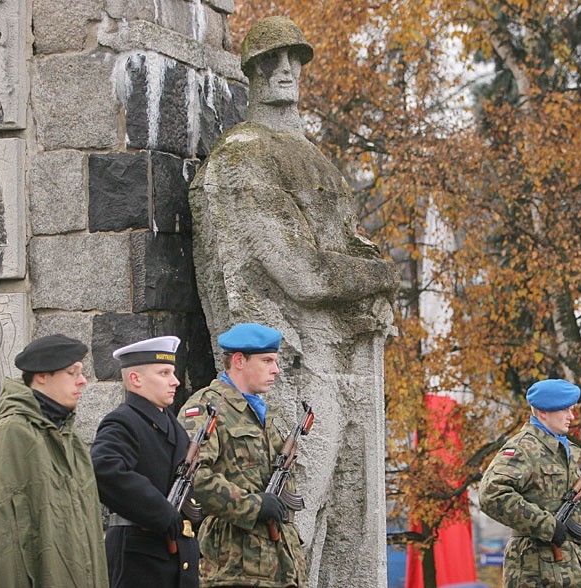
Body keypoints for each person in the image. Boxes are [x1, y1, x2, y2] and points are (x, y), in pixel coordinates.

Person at [189, 17, 399, 584]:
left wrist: (372, 284)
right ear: (252, 69)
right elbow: (303, 273)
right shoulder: (242, 156)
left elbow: (348, 246)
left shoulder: (316, 160)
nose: (285, 70)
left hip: (340, 359)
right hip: (290, 366)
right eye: (271, 60)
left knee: (345, 525)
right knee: (297, 512)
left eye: (294, 59)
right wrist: (379, 276)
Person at [0, 334, 109, 588]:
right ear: (42, 376)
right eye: (72, 372)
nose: (82, 381)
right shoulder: (13, 433)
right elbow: (4, 538)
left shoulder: (70, 437)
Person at [178, 323, 308, 587]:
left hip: (281, 567)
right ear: (239, 360)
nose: (276, 369)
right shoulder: (208, 407)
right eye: (267, 361)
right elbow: (192, 476)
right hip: (234, 568)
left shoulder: (264, 414)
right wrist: (253, 505)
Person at [90, 336, 200, 588]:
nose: (175, 381)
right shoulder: (123, 421)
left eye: (172, 372)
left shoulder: (174, 427)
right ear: (135, 379)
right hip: (139, 561)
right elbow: (104, 468)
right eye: (164, 373)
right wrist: (160, 511)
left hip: (175, 561)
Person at [479, 379, 581, 587]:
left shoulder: (565, 450)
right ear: (543, 412)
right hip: (538, 573)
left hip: (572, 571)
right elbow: (492, 494)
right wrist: (546, 525)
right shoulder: (524, 447)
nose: (572, 416)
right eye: (565, 410)